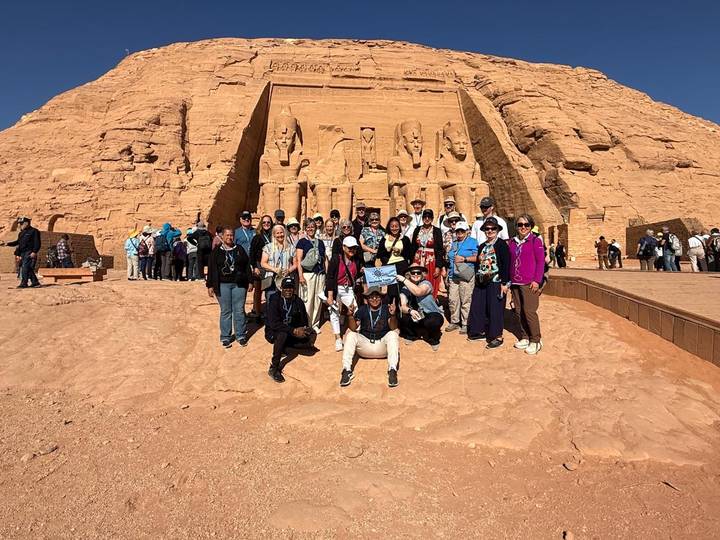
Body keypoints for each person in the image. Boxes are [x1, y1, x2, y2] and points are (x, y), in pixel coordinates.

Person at [340, 287, 400, 388]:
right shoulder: (363, 309)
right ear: (367, 299)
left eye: (377, 296)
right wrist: (350, 316)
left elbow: (393, 327)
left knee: (393, 334)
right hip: (365, 347)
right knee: (351, 335)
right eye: (371, 297)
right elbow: (354, 328)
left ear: (381, 298)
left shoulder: (386, 308)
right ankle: (346, 370)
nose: (374, 299)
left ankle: (392, 370)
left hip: (382, 348)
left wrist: (393, 315)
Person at [466, 217, 511, 347]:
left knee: (495, 308)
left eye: (493, 228)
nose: (490, 231)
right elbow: (478, 264)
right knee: (478, 306)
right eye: (487, 228)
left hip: (496, 281)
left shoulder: (501, 245)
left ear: (497, 230)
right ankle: (480, 331)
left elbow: (506, 264)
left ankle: (497, 336)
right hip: (482, 281)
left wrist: (505, 283)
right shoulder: (482, 246)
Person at [265, 276, 317, 383]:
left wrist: (302, 330)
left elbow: (304, 322)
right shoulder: (275, 300)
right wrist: (293, 331)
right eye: (286, 288)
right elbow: (273, 324)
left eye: (291, 288)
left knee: (311, 333)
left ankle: (285, 348)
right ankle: (274, 368)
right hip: (274, 331)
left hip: (292, 331)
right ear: (281, 288)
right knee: (282, 335)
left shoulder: (298, 301)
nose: (288, 290)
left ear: (294, 289)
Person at [206, 227, 253, 348]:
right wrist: (210, 285)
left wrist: (250, 281)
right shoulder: (216, 252)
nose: (229, 237)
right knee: (226, 311)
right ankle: (226, 336)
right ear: (222, 236)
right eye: (227, 235)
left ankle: (240, 335)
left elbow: (247, 266)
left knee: (239, 310)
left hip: (239, 284)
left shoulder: (240, 249)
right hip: (222, 284)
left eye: (231, 235)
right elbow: (211, 269)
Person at [509, 215, 545, 355]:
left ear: (531, 226)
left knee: (529, 311)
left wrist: (537, 280)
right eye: (520, 224)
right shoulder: (512, 242)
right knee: (518, 311)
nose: (523, 227)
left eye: (526, 224)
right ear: (516, 226)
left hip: (530, 282)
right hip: (515, 282)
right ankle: (525, 336)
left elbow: (541, 262)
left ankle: (536, 340)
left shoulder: (535, 241)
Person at [325, 236, 362, 352]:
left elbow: (355, 275)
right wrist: (330, 296)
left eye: (354, 248)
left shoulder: (356, 260)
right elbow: (330, 277)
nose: (352, 250)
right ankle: (337, 338)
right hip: (336, 288)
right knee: (334, 312)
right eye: (350, 247)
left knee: (355, 310)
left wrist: (361, 272)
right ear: (344, 247)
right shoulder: (336, 259)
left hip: (348, 289)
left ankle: (357, 334)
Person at [397, 266, 444, 351]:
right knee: (401, 317)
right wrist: (410, 311)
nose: (415, 274)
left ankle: (433, 339)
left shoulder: (426, 284)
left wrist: (404, 280)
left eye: (418, 272)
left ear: (422, 274)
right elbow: (403, 306)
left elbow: (418, 292)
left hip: (430, 313)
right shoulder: (404, 288)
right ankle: (412, 334)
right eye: (413, 272)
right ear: (409, 274)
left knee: (434, 321)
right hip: (415, 315)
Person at [445, 220, 477, 334]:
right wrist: (447, 275)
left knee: (466, 299)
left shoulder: (472, 242)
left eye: (462, 231)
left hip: (466, 273)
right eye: (458, 231)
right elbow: (450, 260)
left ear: (467, 231)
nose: (459, 234)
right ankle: (455, 321)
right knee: (453, 299)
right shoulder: (454, 243)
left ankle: (465, 323)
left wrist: (465, 259)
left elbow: (477, 257)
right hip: (453, 275)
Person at [296, 218, 326, 332]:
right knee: (308, 300)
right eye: (308, 227)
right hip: (307, 274)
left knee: (318, 299)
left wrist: (326, 274)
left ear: (315, 227)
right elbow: (298, 260)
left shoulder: (321, 242)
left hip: (320, 274)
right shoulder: (302, 242)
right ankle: (307, 324)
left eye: (312, 227)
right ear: (305, 228)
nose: (310, 229)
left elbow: (325, 260)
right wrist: (300, 276)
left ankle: (315, 324)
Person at [409, 208, 446, 299]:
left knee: (431, 279)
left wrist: (438, 266)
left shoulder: (436, 231)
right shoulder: (417, 229)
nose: (427, 219)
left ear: (432, 218)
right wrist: (411, 262)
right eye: (425, 217)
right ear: (422, 218)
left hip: (431, 260)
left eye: (429, 217)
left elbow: (440, 250)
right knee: (417, 279)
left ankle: (430, 304)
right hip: (418, 259)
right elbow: (413, 247)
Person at [376, 216, 412, 306]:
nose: (394, 228)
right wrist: (387, 250)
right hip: (388, 266)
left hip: (401, 265)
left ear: (399, 227)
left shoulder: (405, 239)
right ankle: (390, 314)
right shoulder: (385, 238)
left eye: (396, 226)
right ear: (389, 227)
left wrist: (400, 251)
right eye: (392, 226)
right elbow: (379, 254)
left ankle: (400, 312)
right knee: (389, 292)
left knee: (400, 290)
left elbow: (409, 254)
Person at [1, 216, 41, 288]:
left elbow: (37, 243)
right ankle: (35, 282)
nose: (19, 225)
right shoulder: (21, 233)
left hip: (29, 252)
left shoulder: (34, 231)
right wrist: (7, 244)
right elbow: (18, 242)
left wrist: (34, 252)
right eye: (19, 223)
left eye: (21, 223)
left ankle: (24, 283)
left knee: (25, 267)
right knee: (28, 267)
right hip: (23, 253)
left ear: (26, 223)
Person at [261, 224, 297, 301]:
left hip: (286, 279)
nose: (280, 235)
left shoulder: (291, 248)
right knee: (271, 302)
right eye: (277, 233)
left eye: (281, 232)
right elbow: (263, 263)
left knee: (285, 302)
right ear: (274, 234)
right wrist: (274, 269)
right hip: (271, 279)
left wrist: (289, 270)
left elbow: (296, 264)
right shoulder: (268, 247)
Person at [249, 215, 273, 318]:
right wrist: (255, 267)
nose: (266, 224)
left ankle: (270, 312)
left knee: (271, 289)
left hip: (271, 265)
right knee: (258, 290)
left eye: (268, 222)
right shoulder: (257, 237)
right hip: (259, 266)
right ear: (261, 224)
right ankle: (257, 312)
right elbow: (252, 253)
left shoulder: (274, 236)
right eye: (264, 222)